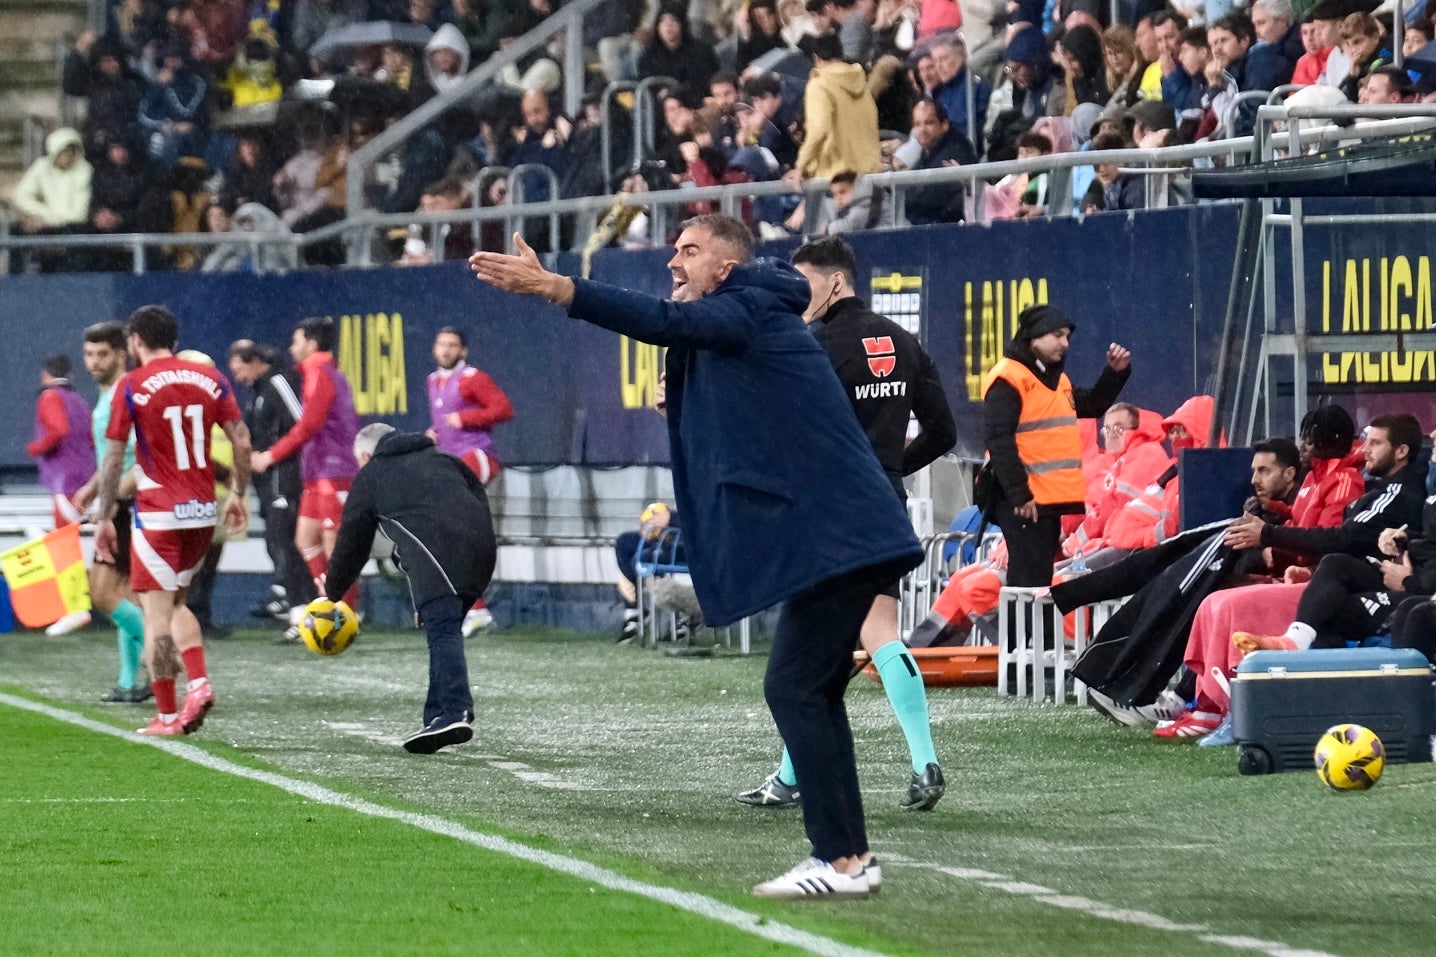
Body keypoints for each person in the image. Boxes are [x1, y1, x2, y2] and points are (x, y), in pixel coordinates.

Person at [471, 214, 923, 899]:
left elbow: (665, 322)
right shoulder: (744, 322)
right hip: (838, 536)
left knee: (794, 686)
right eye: (672, 252)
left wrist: (558, 288)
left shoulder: (746, 308)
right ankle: (847, 858)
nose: (673, 263)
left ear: (726, 266)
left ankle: (843, 860)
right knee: (812, 689)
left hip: (843, 536)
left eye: (689, 251)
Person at [734, 235, 955, 813]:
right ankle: (922, 759)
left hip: (826, 508)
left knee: (807, 651)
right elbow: (945, 434)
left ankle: (793, 779)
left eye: (803, 281)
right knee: (878, 633)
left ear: (834, 281)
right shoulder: (904, 342)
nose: (796, 294)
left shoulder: (814, 344)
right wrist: (888, 469)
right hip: (884, 504)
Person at [94, 306, 251, 737]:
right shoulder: (210, 378)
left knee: (155, 615)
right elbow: (240, 436)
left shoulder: (133, 384)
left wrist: (106, 513)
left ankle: (167, 714)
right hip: (200, 511)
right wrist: (239, 492)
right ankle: (197, 683)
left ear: (135, 341)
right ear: (175, 340)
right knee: (178, 604)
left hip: (159, 511)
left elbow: (113, 456)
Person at [320, 423, 497, 754]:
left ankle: (454, 711)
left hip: (439, 556)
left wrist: (332, 592)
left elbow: (352, 542)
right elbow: (474, 497)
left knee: (442, 631)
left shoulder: (372, 474)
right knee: (441, 626)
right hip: (483, 551)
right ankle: (436, 716)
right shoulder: (446, 459)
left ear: (365, 454)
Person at [1232, 414, 1429, 653]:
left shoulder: (1397, 492)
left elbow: (1342, 539)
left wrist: (1267, 533)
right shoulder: (1373, 489)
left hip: (1398, 585)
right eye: (1366, 440)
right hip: (1362, 574)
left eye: (1375, 443)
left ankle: (1293, 644)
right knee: (1321, 610)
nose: (1364, 449)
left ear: (1401, 452)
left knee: (1335, 569)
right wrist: (1311, 571)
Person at [982, 305, 1131, 588]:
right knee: (1027, 582)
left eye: (1067, 337)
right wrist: (1019, 494)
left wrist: (1115, 374)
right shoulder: (1008, 378)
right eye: (1057, 335)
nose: (1065, 344)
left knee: (1038, 581)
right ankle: (1018, 634)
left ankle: (1033, 633)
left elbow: (1093, 405)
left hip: (1048, 500)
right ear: (1033, 338)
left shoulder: (1058, 380)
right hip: (1025, 501)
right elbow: (999, 441)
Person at [250, 317, 361, 642]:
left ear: (312, 344)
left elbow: (309, 424)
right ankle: (329, 606)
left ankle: (346, 616)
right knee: (305, 540)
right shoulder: (317, 373)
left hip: (334, 470)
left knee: (333, 547)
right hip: (317, 471)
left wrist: (271, 455)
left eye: (297, 340)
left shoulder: (322, 374)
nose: (291, 347)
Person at [66, 323, 150, 700]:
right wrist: (91, 487)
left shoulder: (125, 393)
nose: (93, 362)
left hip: (128, 505)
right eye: (89, 354)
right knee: (125, 593)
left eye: (102, 354)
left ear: (121, 354)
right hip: (118, 500)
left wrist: (111, 497)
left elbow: (142, 459)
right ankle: (130, 682)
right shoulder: (108, 394)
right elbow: (116, 454)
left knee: (101, 594)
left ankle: (166, 653)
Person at [426, 326, 514, 636]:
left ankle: (470, 607)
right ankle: (475, 610)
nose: (446, 350)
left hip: (478, 457)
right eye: (441, 344)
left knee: (447, 524)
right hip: (451, 461)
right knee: (449, 536)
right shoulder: (434, 381)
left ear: (463, 351)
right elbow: (444, 422)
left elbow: (504, 409)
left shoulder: (472, 378)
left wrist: (465, 419)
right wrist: (434, 434)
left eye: (452, 346)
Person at [227, 340, 311, 627]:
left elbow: (303, 422)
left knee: (285, 540)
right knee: (277, 542)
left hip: (284, 475)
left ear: (255, 361)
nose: (239, 378)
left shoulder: (278, 382)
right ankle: (292, 605)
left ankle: (301, 609)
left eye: (240, 370)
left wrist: (271, 455)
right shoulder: (258, 391)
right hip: (266, 479)